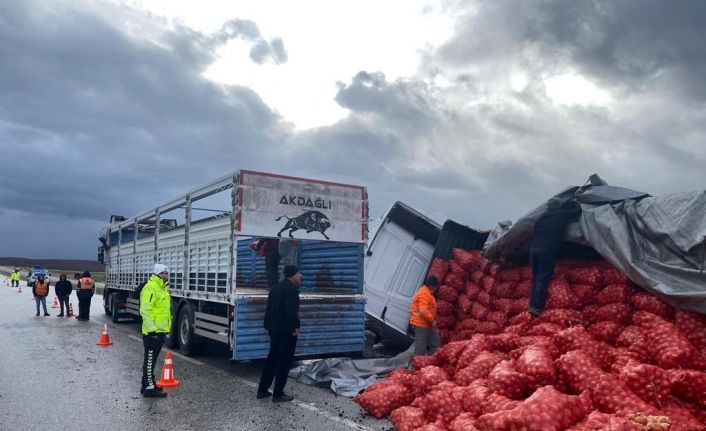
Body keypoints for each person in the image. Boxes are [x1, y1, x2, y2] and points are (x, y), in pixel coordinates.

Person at [528, 198, 582, 317]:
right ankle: (537, 307)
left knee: (536, 277)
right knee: (543, 277)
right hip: (546, 250)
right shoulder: (560, 214)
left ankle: (531, 304)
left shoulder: (540, 218)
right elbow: (577, 211)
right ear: (558, 206)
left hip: (533, 250)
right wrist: (575, 202)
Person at [257, 265, 301, 402]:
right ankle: (278, 394)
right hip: (285, 331)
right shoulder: (292, 290)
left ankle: (262, 390)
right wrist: (296, 326)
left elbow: (269, 309)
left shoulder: (275, 288)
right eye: (299, 274)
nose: (300, 277)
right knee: (284, 362)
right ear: (293, 275)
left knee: (272, 360)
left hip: (273, 329)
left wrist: (269, 326)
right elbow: (290, 312)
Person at [139, 263, 172, 398]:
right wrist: (151, 329)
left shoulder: (162, 288)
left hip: (159, 331)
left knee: (152, 359)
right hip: (152, 332)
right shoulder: (151, 288)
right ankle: (149, 388)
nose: (165, 275)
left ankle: (147, 383)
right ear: (157, 274)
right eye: (163, 273)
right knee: (150, 359)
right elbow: (146, 310)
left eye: (166, 273)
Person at [409, 276, 441, 355]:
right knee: (420, 348)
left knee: (435, 342)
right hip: (420, 324)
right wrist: (432, 320)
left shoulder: (428, 293)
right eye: (436, 286)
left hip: (426, 324)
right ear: (432, 286)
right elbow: (423, 310)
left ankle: (431, 362)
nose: (436, 288)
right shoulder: (424, 293)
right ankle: (416, 365)